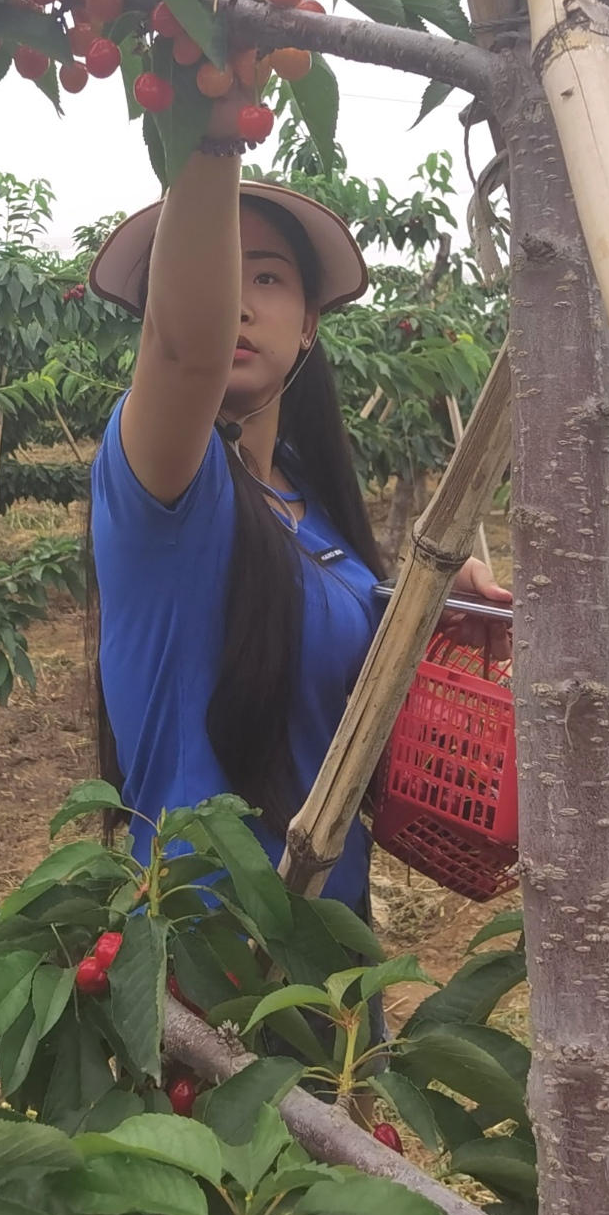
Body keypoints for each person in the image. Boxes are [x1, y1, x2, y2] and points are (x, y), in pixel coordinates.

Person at [85, 97, 507, 911]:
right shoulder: (164, 486)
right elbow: (185, 348)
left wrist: (421, 618)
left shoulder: (310, 506)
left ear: (310, 325)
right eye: (220, 276)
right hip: (206, 964)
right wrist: (210, 106)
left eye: (268, 276)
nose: (238, 301)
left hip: (329, 962)